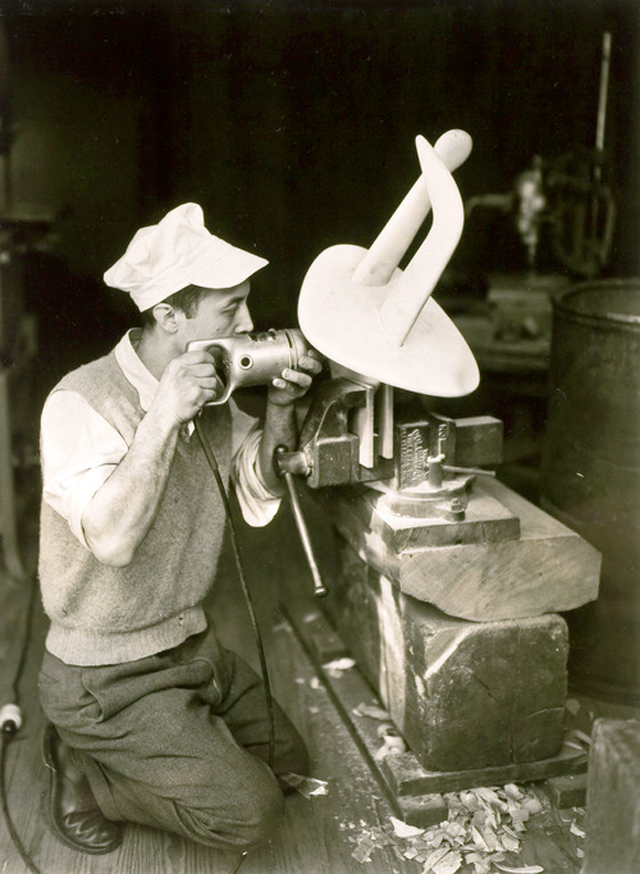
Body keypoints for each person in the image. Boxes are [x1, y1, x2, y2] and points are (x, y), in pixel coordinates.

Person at [37, 202, 321, 857]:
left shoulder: (214, 393)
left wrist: (280, 408)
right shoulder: (79, 402)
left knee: (290, 764)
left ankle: (175, 737)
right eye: (230, 310)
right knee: (253, 816)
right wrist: (162, 417)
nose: (248, 324)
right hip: (103, 675)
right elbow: (112, 539)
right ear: (168, 316)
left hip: (189, 649)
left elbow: (258, 492)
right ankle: (88, 772)